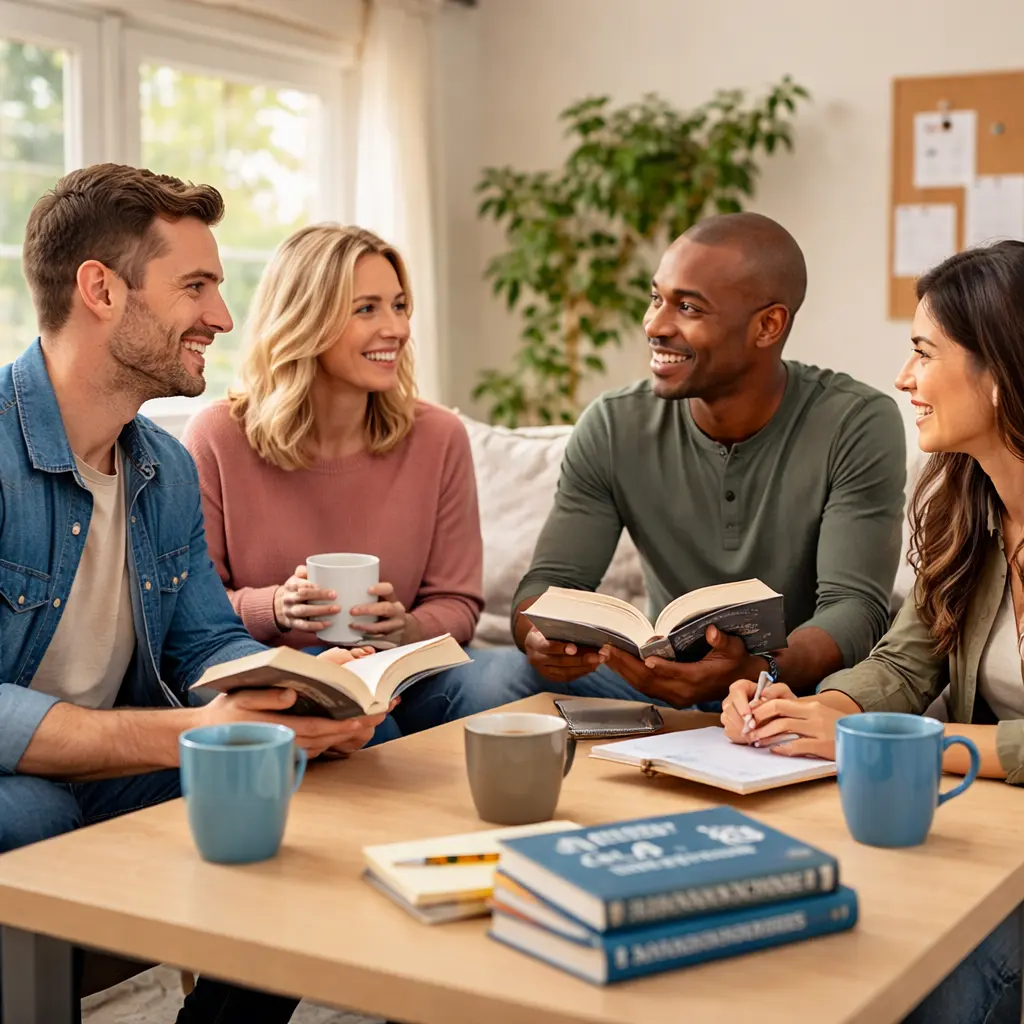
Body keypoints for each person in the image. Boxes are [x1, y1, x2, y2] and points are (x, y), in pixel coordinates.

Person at [0, 163, 388, 1024]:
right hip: (17, 780)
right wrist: (194, 732)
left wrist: (301, 684)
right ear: (100, 289)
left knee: (308, 765)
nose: (221, 315)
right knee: (27, 809)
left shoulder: (160, 466)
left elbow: (206, 642)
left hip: (110, 770)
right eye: (196, 286)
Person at [720, 240, 1024, 1024]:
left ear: (999, 372)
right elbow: (905, 659)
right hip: (989, 829)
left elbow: (943, 734)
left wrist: (930, 748)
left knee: (943, 990)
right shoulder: (969, 506)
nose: (903, 379)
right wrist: (823, 712)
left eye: (924, 352)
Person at [450, 212, 907, 718]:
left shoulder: (856, 422)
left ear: (767, 326)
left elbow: (855, 609)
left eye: (688, 307)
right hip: (650, 683)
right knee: (493, 682)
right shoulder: (612, 424)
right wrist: (540, 636)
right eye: (656, 298)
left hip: (793, 689)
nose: (655, 325)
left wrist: (757, 671)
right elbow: (549, 582)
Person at [183, 223, 483, 742]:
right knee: (356, 714)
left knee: (503, 685)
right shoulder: (217, 437)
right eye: (366, 309)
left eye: (399, 305)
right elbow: (188, 612)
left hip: (402, 669)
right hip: (272, 674)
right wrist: (275, 606)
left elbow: (458, 602)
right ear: (306, 320)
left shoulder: (439, 437)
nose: (396, 328)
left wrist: (405, 627)